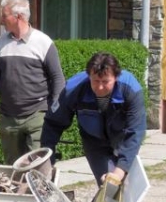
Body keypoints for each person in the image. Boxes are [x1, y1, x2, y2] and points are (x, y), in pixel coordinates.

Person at [0, 0, 65, 164]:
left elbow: (57, 78)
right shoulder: (0, 42)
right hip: (8, 117)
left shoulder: (43, 42)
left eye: (4, 16)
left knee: (39, 166)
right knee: (13, 168)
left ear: (18, 16)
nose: (1, 20)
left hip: (38, 114)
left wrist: (55, 108)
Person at [41, 52, 146, 185]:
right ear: (89, 76)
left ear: (116, 77)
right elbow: (53, 123)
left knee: (127, 187)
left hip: (122, 139)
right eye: (96, 81)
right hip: (94, 142)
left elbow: (135, 132)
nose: (100, 87)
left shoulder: (131, 89)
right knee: (107, 187)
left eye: (106, 82)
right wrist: (47, 160)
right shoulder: (73, 89)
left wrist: (119, 172)